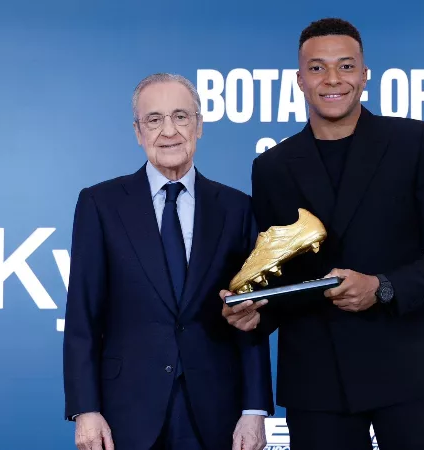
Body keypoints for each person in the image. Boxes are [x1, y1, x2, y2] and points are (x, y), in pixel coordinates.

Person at [221, 18, 424, 450]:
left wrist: (382, 287)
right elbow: (281, 278)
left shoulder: (413, 142)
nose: (333, 79)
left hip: (408, 374)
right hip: (316, 384)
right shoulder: (272, 168)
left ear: (364, 74)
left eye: (346, 66)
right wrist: (254, 315)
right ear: (299, 80)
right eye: (317, 68)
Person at [63, 73, 273, 450]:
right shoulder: (101, 204)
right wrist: (85, 409)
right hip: (125, 411)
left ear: (199, 125)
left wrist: (254, 408)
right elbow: (83, 317)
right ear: (138, 132)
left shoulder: (236, 208)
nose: (169, 131)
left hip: (216, 411)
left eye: (180, 116)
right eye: (154, 119)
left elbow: (249, 315)